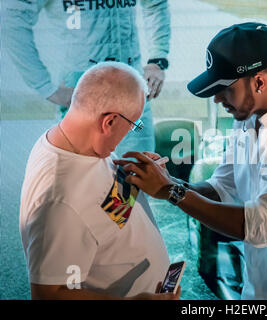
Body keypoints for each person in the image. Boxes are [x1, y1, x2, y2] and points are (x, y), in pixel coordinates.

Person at [114, 22, 267, 300]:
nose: (218, 99)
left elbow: (258, 224)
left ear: (258, 81)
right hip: (257, 293)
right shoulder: (246, 120)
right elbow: (222, 188)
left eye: (224, 88)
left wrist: (172, 192)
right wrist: (166, 181)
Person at [20, 62, 180, 300]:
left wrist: (132, 178)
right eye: (133, 125)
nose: (131, 132)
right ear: (110, 122)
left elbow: (101, 213)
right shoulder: (60, 203)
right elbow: (49, 294)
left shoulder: (82, 143)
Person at [3, 0, 171, 156]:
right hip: (82, 97)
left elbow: (155, 4)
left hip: (132, 92)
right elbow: (13, 19)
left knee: (137, 177)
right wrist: (46, 87)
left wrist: (157, 60)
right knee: (82, 181)